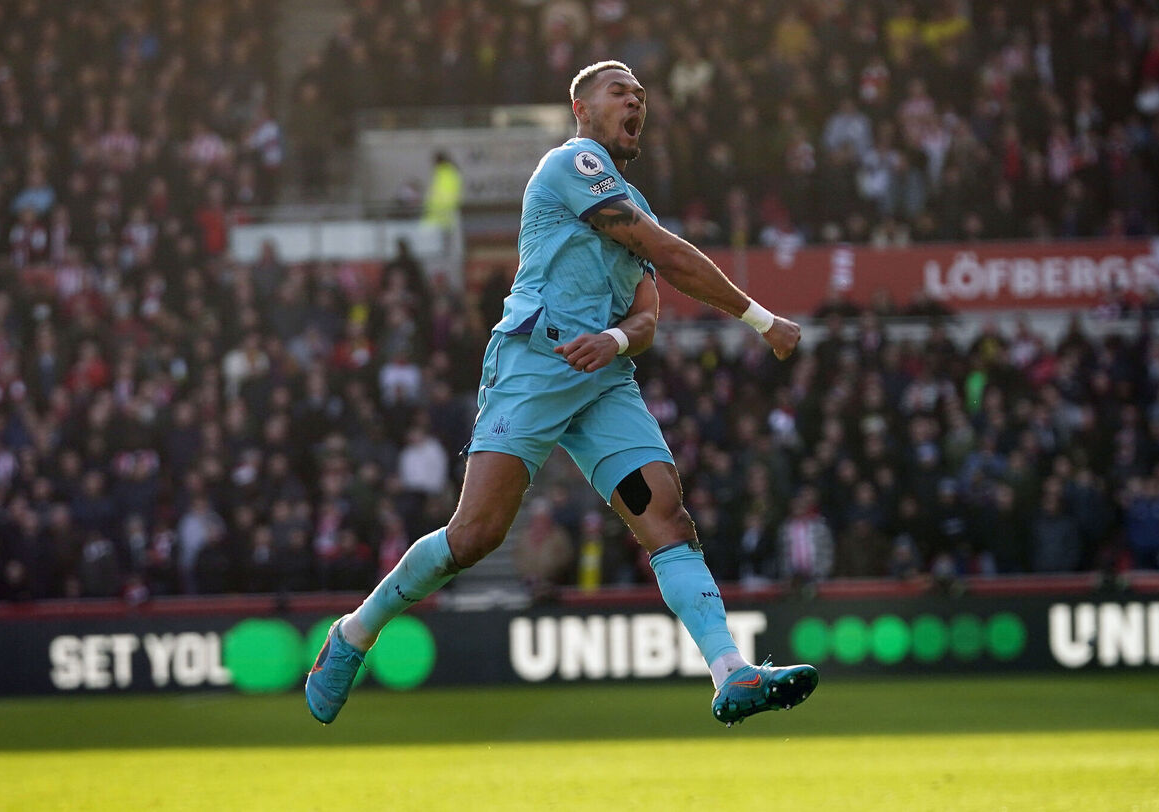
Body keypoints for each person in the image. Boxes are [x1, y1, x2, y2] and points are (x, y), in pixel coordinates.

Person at [306, 60, 817, 727]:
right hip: (533, 361)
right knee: (476, 535)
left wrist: (616, 341)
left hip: (601, 378)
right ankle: (353, 633)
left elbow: (647, 316)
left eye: (642, 95)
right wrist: (761, 319)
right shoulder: (571, 164)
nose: (636, 101)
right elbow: (664, 253)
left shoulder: (639, 209)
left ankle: (731, 672)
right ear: (581, 108)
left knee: (667, 518)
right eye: (620, 91)